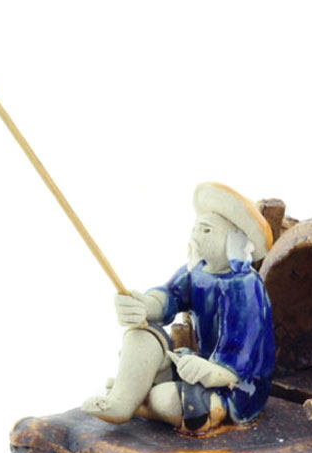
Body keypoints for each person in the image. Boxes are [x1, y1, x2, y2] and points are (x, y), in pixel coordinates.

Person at [81, 182, 275, 433]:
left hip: (234, 385)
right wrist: (142, 306)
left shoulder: (246, 285)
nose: (195, 237)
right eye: (195, 229)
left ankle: (136, 396)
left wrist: (213, 371)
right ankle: (121, 403)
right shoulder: (195, 272)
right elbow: (169, 296)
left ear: (233, 240)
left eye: (206, 230)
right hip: (194, 364)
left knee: (165, 399)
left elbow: (245, 352)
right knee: (142, 335)